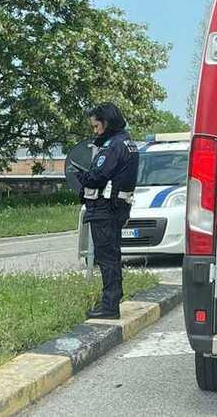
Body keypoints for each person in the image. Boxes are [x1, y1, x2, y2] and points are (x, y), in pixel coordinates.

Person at [76, 102, 139, 319]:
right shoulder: (128, 142)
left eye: (96, 126)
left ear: (107, 122)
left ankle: (109, 306)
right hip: (118, 207)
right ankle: (113, 299)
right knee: (113, 254)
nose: (95, 131)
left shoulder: (113, 146)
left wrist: (81, 177)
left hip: (105, 209)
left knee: (107, 257)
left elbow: (98, 175)